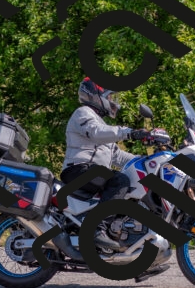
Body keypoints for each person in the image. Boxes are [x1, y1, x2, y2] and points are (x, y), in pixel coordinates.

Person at [60, 77, 150, 249]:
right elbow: (96, 132)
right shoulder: (83, 113)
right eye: (109, 97)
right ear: (95, 96)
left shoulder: (100, 123)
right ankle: (96, 229)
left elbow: (118, 156)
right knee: (120, 180)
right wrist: (129, 132)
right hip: (78, 170)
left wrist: (145, 161)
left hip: (92, 173)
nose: (113, 102)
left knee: (127, 183)